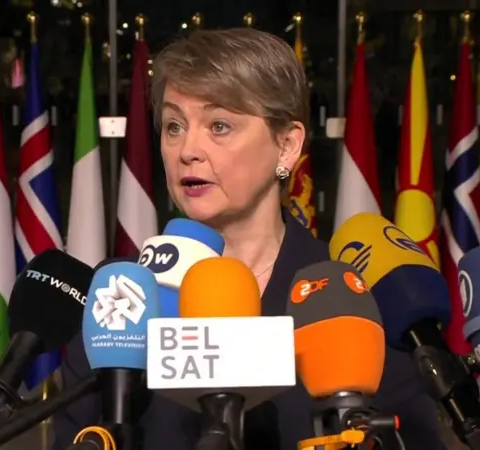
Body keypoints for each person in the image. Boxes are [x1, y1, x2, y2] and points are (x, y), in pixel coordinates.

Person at [51, 27, 445, 450]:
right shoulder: (121, 295)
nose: (187, 150)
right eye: (173, 126)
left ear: (287, 146)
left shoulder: (349, 298)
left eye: (219, 125)